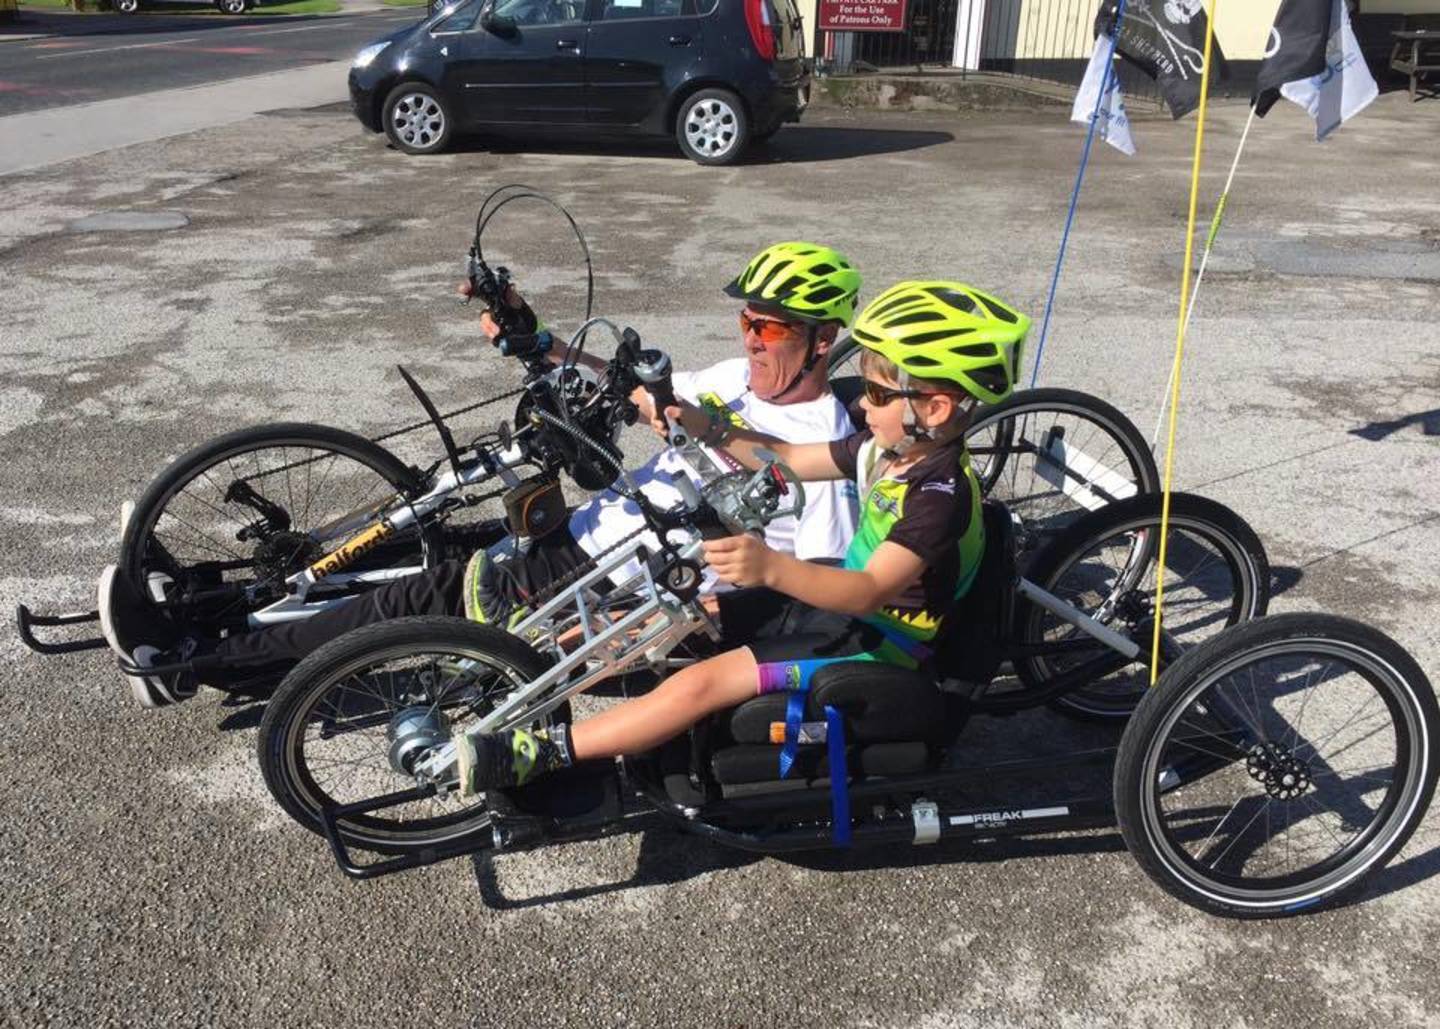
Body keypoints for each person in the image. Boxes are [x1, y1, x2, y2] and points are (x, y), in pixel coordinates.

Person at [98, 242, 864, 708]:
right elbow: (637, 386)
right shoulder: (735, 376)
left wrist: (690, 614)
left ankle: (190, 661)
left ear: (822, 340)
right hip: (580, 530)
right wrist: (540, 338)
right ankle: (208, 599)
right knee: (404, 545)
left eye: (769, 326)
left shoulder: (819, 450)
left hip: (603, 584)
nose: (751, 339)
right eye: (746, 321)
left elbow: (816, 591)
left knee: (400, 604)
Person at [447, 279, 1032, 793]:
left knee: (703, 682)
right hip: (830, 607)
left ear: (933, 409)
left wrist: (770, 570)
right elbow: (783, 457)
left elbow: (869, 591)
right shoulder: (885, 448)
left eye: (878, 394)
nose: (864, 404)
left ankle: (543, 755)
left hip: (878, 642)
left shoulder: (937, 495)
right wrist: (699, 422)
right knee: (674, 614)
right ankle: (525, 656)